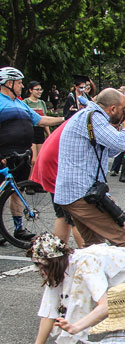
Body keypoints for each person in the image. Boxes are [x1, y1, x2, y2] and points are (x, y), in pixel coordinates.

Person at [54, 88, 125, 247]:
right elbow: (121, 142)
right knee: (124, 240)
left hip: (75, 192)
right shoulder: (94, 117)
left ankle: (89, 271)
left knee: (95, 245)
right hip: (81, 193)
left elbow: (112, 150)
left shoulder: (89, 116)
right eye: (123, 109)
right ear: (113, 108)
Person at [0, 67, 63, 241]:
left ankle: (19, 228)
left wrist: (66, 119)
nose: (21, 86)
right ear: (9, 83)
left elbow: (42, 120)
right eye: (19, 83)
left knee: (16, 190)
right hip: (3, 154)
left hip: (20, 154)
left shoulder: (20, 103)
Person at [23, 81, 50, 166]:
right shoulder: (25, 102)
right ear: (30, 90)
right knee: (33, 159)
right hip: (30, 130)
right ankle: (30, 178)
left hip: (40, 131)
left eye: (41, 89)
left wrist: (49, 134)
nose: (39, 91)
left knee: (40, 158)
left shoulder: (42, 103)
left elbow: (45, 119)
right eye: (37, 89)